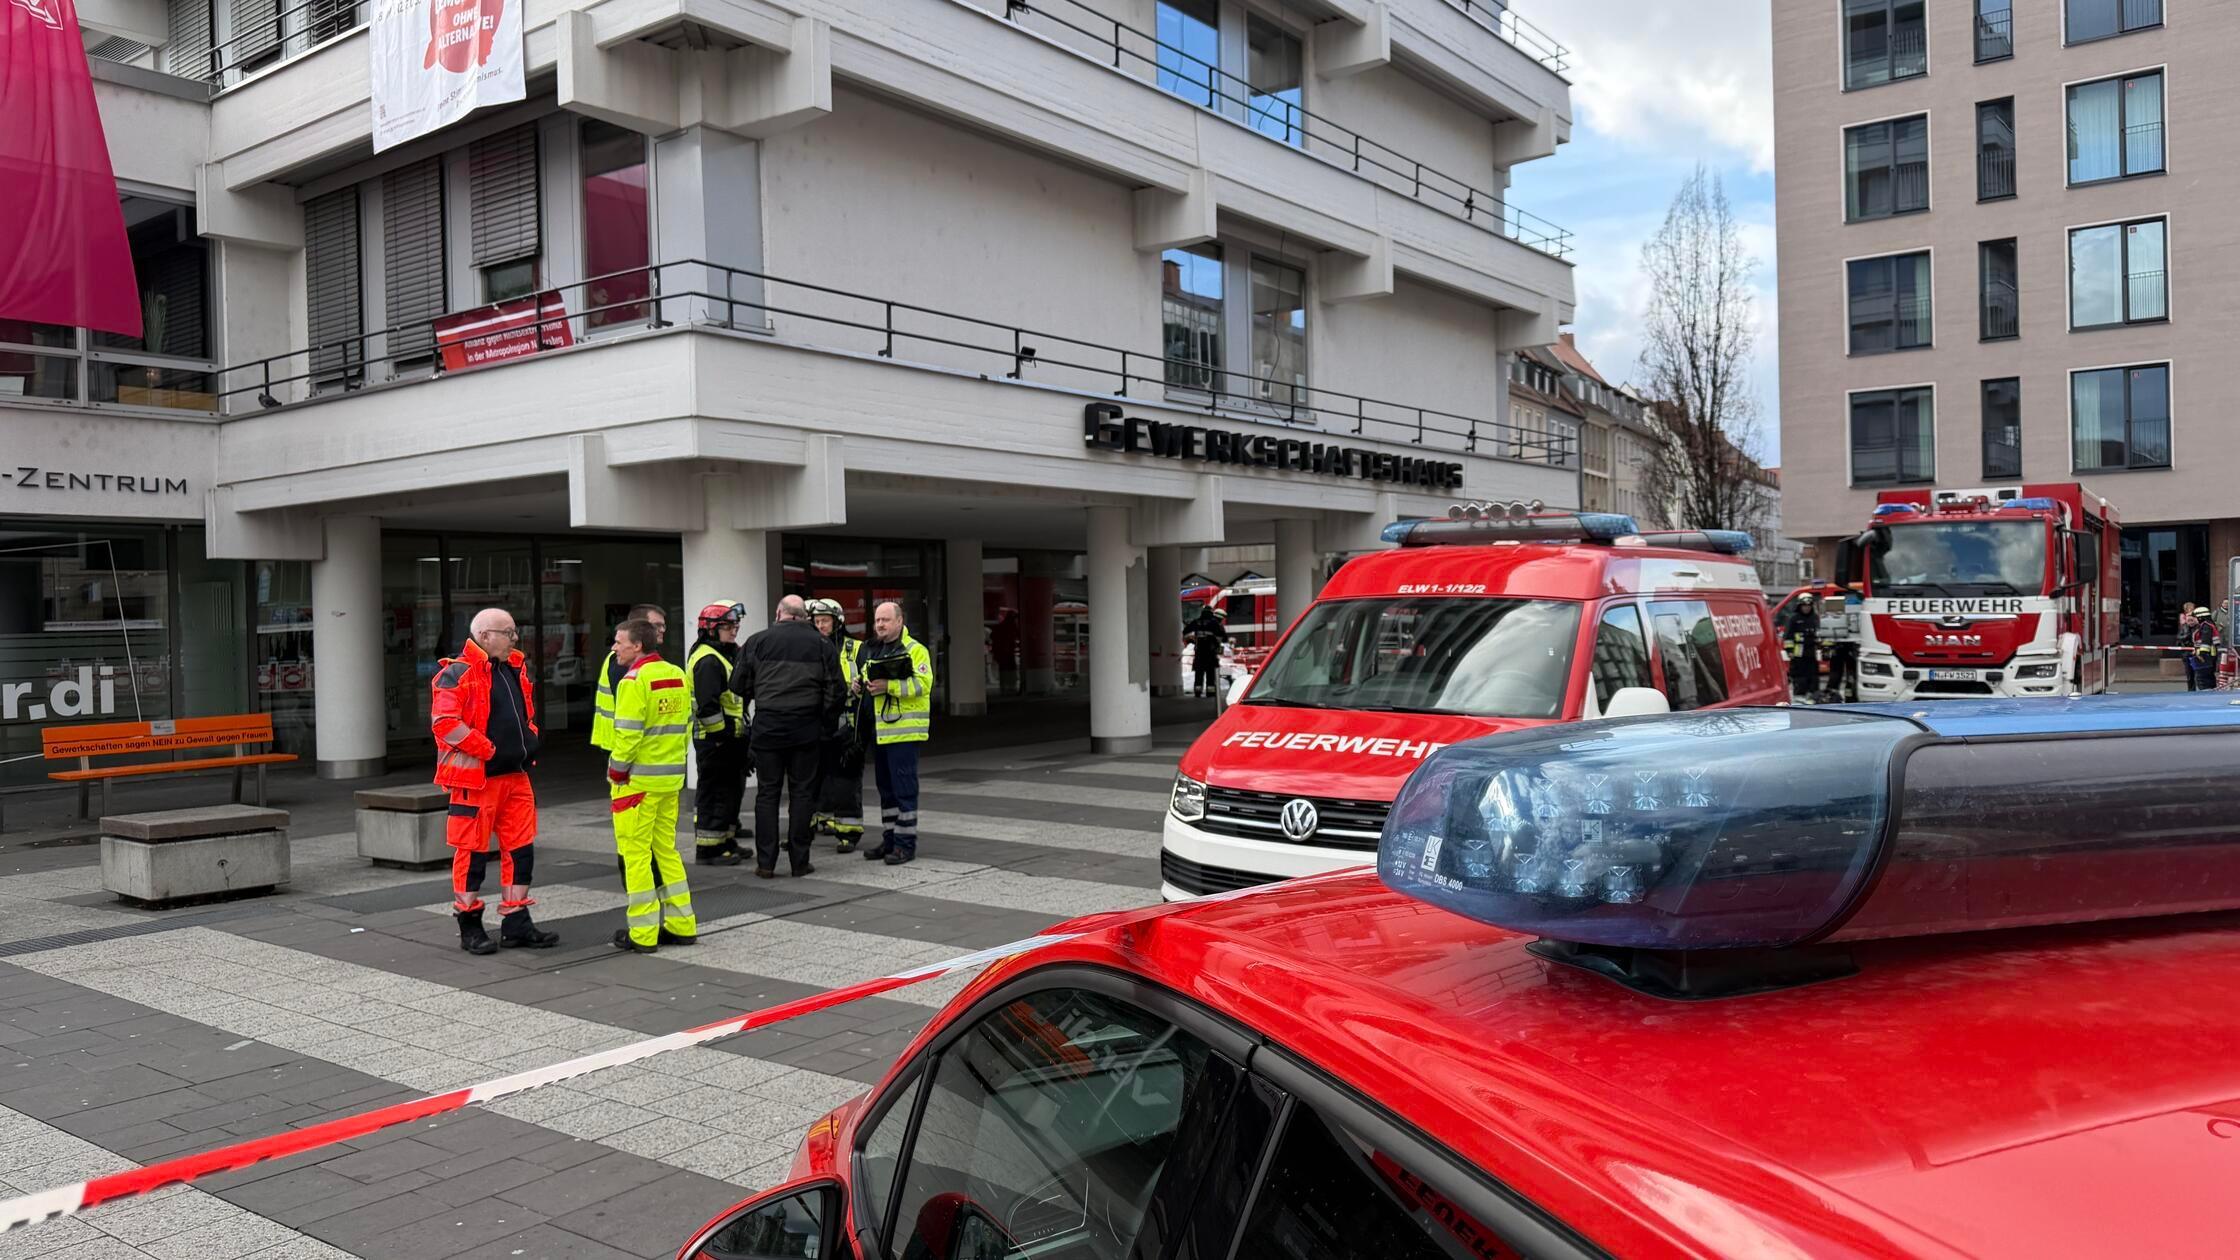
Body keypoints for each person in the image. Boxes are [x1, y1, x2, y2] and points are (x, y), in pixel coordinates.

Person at [433, 608, 558, 955]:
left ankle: (516, 922)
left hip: (515, 776)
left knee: (521, 851)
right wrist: (488, 750)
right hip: (476, 780)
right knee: (471, 855)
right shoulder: (457, 673)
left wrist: (529, 739)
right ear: (485, 636)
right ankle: (469, 925)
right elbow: (445, 723)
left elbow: (525, 715)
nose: (515, 638)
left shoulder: (515, 668)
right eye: (509, 632)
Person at [732, 595, 843, 878]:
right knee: (802, 794)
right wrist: (824, 726)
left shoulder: (757, 642)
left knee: (767, 794)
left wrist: (763, 694)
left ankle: (766, 863)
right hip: (806, 730)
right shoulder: (822, 644)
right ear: (804, 616)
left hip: (768, 728)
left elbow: (738, 684)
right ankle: (799, 862)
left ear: (779, 613)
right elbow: (836, 691)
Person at [606, 618, 698, 953]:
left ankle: (642, 934)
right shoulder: (676, 673)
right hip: (669, 781)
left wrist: (616, 772)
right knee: (666, 852)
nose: (615, 647)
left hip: (636, 785)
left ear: (638, 646)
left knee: (636, 856)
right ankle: (682, 924)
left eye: (619, 642)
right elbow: (686, 723)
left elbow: (628, 735)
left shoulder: (634, 680)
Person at [860, 600, 934, 866]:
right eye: (877, 620)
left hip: (904, 733)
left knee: (904, 790)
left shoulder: (915, 650)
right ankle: (890, 839)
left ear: (899, 621)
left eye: (885, 620)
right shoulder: (875, 649)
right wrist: (861, 685)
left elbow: (923, 685)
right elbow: (870, 681)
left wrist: (887, 686)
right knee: (887, 791)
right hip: (882, 733)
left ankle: (905, 845)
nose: (880, 624)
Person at [688, 600, 750, 866]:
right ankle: (709, 849)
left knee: (730, 791)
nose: (734, 630)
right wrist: (724, 735)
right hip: (715, 741)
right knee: (715, 792)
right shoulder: (708, 660)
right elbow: (708, 707)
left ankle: (726, 840)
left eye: (735, 625)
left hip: (730, 739)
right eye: (727, 626)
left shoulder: (725, 653)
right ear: (711, 628)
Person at [806, 598, 869, 850]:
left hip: (847, 725)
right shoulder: (809, 648)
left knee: (846, 780)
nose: (820, 625)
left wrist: (860, 686)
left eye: (825, 621)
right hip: (818, 723)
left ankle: (849, 833)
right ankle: (814, 825)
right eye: (817, 621)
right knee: (815, 779)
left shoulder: (856, 648)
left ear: (838, 622)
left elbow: (870, 677)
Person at [593, 603, 667, 751]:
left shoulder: (642, 659)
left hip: (630, 744)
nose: (662, 630)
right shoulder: (622, 661)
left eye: (664, 625)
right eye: (657, 625)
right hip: (624, 745)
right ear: (638, 627)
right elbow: (630, 710)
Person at [1785, 592, 1822, 701]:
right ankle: (1799, 702)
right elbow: (1788, 636)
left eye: (1809, 606)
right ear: (1799, 606)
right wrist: (1789, 650)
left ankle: (1813, 702)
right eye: (1804, 606)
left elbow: (1820, 634)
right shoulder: (1794, 619)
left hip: (1812, 656)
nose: (1806, 608)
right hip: (1798, 657)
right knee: (1800, 681)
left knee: (1813, 681)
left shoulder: (1815, 618)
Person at [1185, 607, 1227, 699]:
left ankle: (1198, 692)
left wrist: (1193, 640)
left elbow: (1185, 631)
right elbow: (1223, 637)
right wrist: (1217, 643)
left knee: (1198, 675)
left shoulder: (1196, 622)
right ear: (1211, 613)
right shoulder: (1214, 623)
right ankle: (1210, 693)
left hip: (1199, 653)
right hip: (1210, 653)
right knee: (1210, 675)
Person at [990, 608, 1022, 697]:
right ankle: (1011, 686)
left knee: (1003, 669)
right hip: (1008, 652)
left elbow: (993, 636)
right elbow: (1018, 635)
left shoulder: (1000, 626)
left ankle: (1004, 686)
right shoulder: (1012, 626)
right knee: (1011, 668)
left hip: (1001, 652)